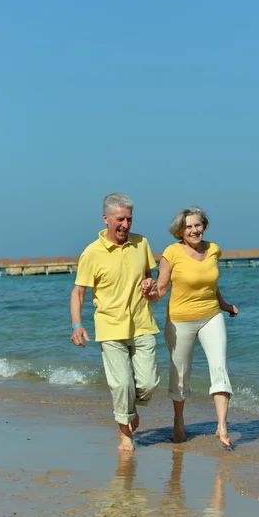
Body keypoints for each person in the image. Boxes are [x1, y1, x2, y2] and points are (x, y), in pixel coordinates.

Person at [70, 193, 159, 452]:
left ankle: (129, 409)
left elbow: (147, 277)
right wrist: (77, 325)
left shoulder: (141, 243)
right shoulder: (92, 253)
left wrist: (149, 284)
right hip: (110, 328)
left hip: (142, 323)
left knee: (148, 384)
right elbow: (78, 292)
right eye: (120, 219)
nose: (126, 225)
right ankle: (125, 437)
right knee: (121, 384)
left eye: (130, 219)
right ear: (106, 218)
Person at [143, 206, 237, 447]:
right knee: (180, 375)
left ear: (204, 225)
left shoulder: (214, 249)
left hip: (211, 316)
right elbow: (161, 290)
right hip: (180, 320)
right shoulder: (171, 253)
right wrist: (149, 294)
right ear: (180, 231)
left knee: (220, 367)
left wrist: (224, 305)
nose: (195, 230)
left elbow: (209, 284)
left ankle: (222, 426)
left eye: (198, 224)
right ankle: (178, 420)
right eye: (189, 226)